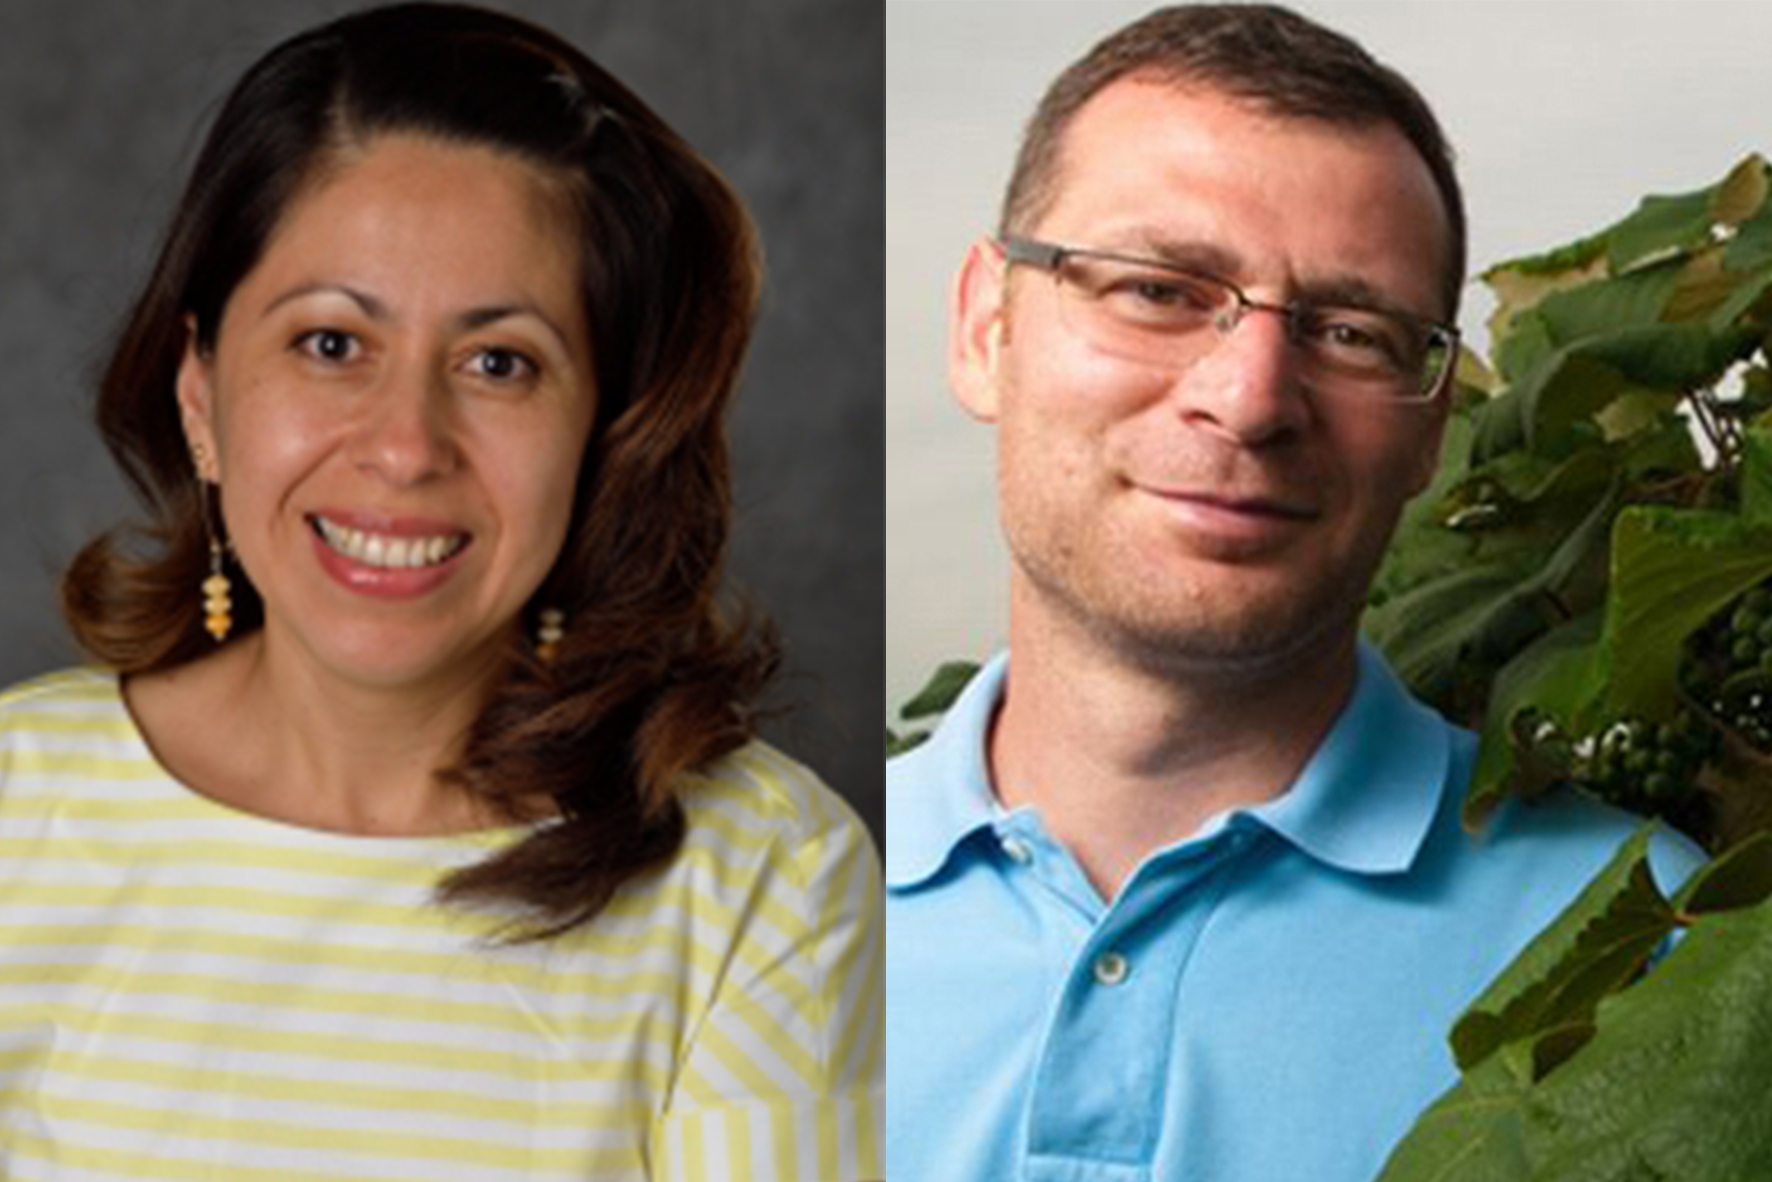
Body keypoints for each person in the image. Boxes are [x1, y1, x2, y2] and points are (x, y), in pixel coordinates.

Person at [0, 5, 881, 1180]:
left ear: (602, 436)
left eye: (498, 363)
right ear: (201, 395)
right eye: (330, 344)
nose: (406, 446)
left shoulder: (764, 880)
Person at [885, 5, 1704, 1181]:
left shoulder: (1654, 946)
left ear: (1431, 424)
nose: (1249, 398)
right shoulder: (742, 914)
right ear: (984, 328)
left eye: (1350, 332)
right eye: (1157, 290)